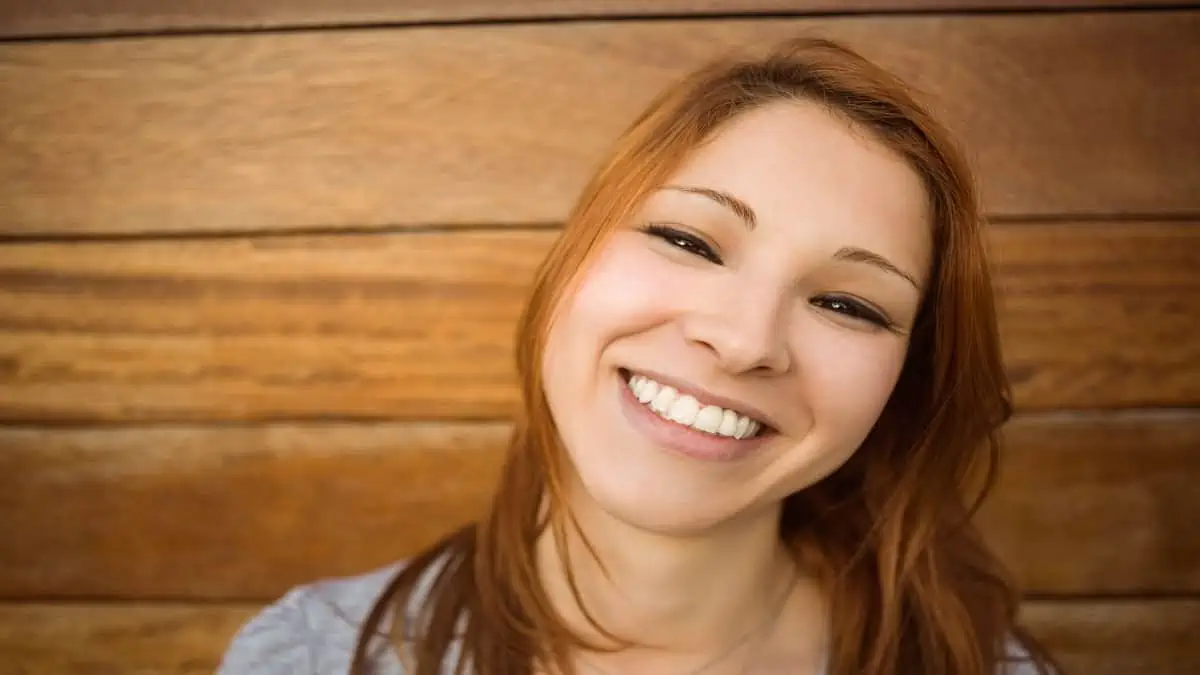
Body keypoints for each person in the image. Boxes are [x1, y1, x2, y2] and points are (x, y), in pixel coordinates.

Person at [219, 36, 1059, 675]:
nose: (742, 341)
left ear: (903, 386)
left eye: (847, 303)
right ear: (570, 262)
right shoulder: (312, 657)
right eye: (689, 239)